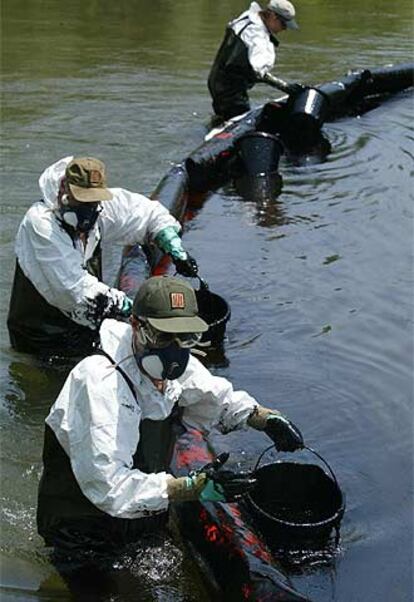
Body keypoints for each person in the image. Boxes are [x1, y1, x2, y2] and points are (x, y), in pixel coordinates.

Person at [37, 275, 304, 569]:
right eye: (164, 336)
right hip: (84, 529)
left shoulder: (171, 367)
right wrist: (191, 488)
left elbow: (215, 396)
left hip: (142, 516)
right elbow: (109, 486)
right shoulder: (100, 382)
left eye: (186, 337)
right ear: (137, 327)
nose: (176, 350)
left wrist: (263, 418)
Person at [7, 156, 199, 357]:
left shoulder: (98, 210)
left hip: (85, 329)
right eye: (82, 200)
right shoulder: (41, 225)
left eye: (93, 200)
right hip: (40, 339)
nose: (89, 209)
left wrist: (170, 242)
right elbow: (74, 291)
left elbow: (146, 213)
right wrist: (133, 307)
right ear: (64, 191)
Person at [208, 0, 302, 121]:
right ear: (273, 16)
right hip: (230, 90)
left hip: (216, 78)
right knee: (237, 121)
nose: (284, 29)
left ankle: (216, 123)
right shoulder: (257, 36)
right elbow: (259, 72)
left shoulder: (249, 17)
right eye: (283, 24)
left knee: (223, 117)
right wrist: (286, 87)